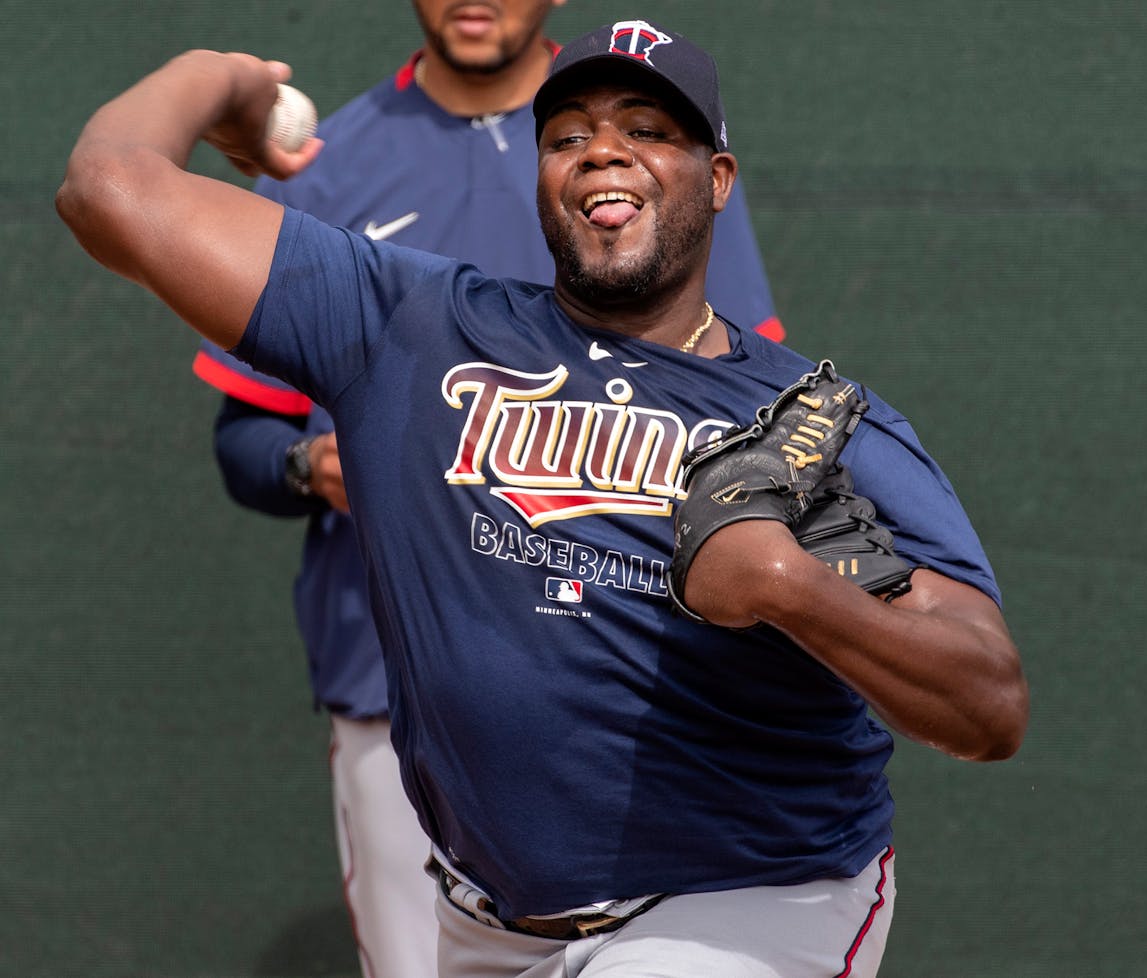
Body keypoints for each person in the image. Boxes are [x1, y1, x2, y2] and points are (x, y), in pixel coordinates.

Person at [57, 17, 1028, 978]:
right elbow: (108, 190)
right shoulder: (409, 324)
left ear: (717, 180)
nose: (605, 151)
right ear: (542, 181)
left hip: (749, 902)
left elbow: (989, 705)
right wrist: (218, 77)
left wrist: (791, 587)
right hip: (485, 921)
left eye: (648, 130)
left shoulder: (809, 423)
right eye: (568, 135)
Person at [188, 4, 784, 975]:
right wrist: (308, 466)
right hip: (395, 680)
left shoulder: (640, 155)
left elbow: (739, 387)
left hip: (630, 681)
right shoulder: (323, 161)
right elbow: (245, 439)